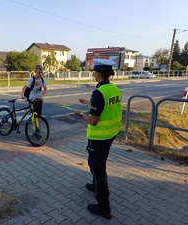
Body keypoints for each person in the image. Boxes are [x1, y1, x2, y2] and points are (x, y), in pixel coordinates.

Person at [74, 58, 122, 219]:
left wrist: (81, 114)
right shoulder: (113, 88)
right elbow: (105, 106)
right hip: (111, 134)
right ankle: (95, 185)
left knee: (98, 168)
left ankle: (104, 206)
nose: (93, 74)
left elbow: (93, 121)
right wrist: (89, 102)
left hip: (99, 137)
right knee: (96, 163)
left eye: (94, 71)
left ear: (99, 74)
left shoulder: (99, 92)